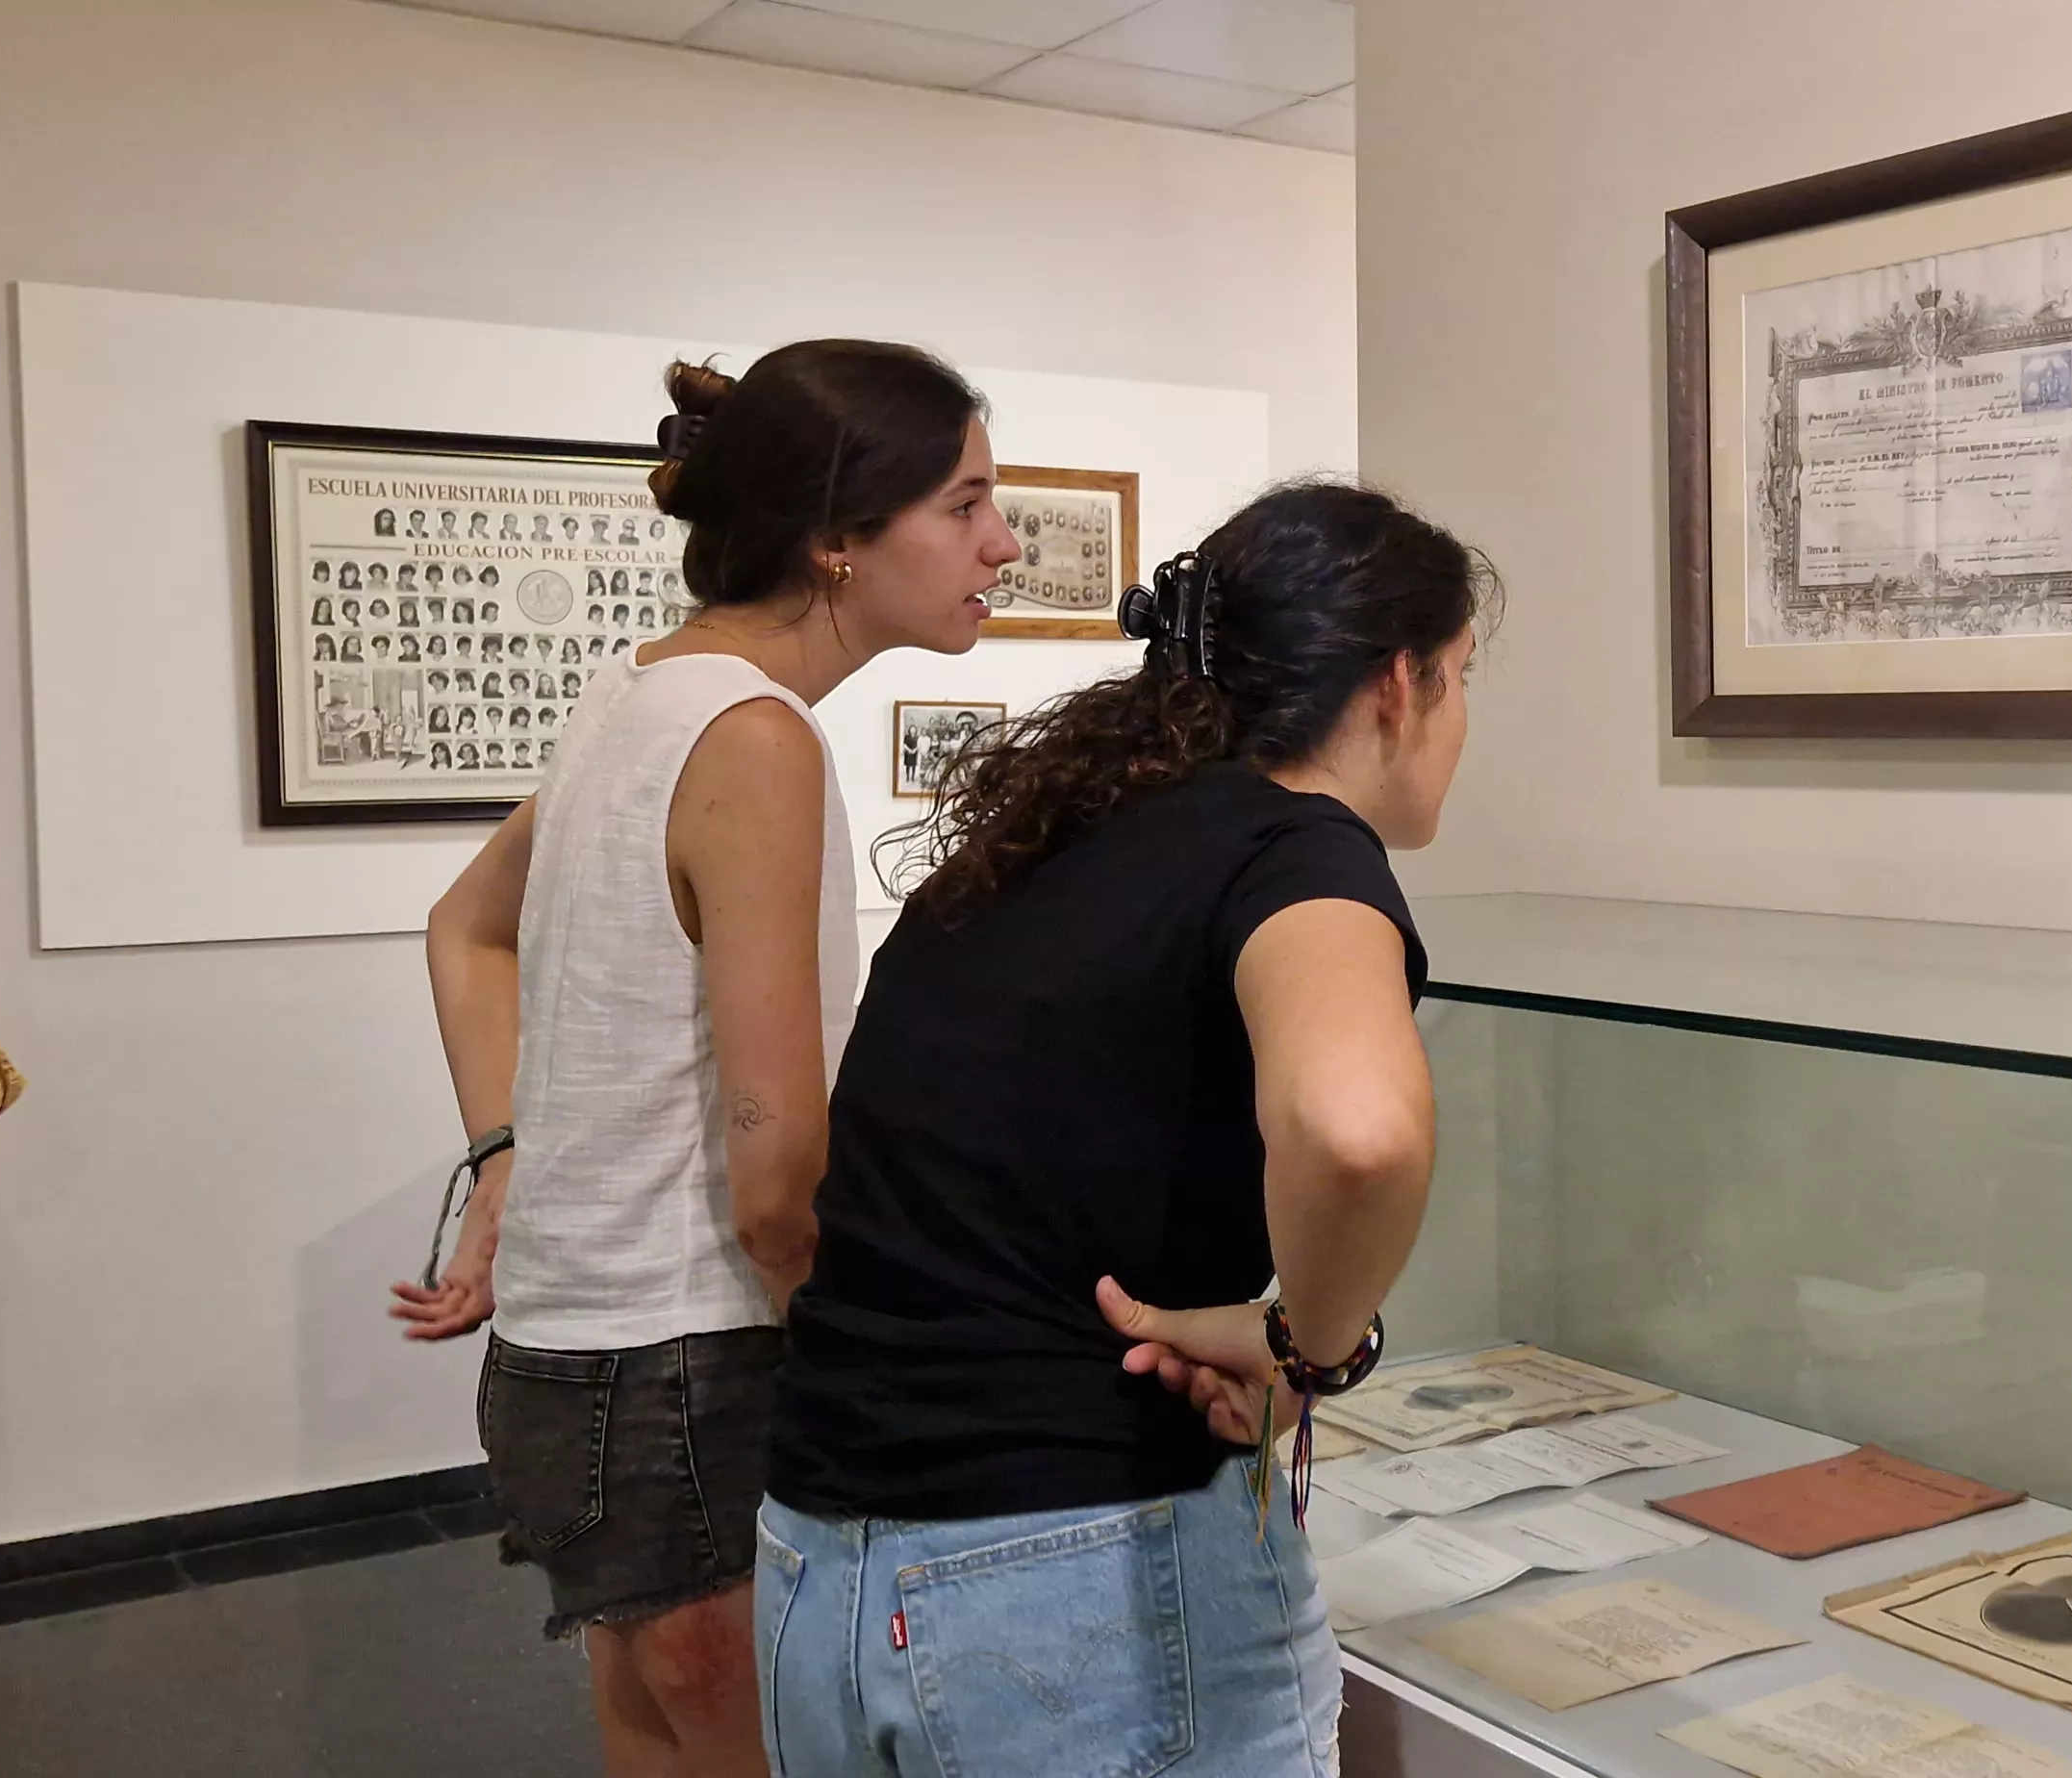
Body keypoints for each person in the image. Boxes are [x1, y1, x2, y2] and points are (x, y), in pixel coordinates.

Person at [760, 481, 1483, 1777]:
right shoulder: (1299, 850)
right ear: (1397, 685)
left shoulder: (1043, 844)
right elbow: (1360, 1126)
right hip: (1070, 1562)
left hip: (822, 1557)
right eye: (1463, 678)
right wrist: (1307, 1350)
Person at [397, 343, 1016, 1778]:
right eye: (968, 502)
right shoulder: (754, 736)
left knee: (655, 1736)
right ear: (839, 541)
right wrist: (888, 1373)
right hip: (693, 1367)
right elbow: (773, 1176)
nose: (1002, 542)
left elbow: (460, 931)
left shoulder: (644, 693)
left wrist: (507, 1161)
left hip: (573, 1358)